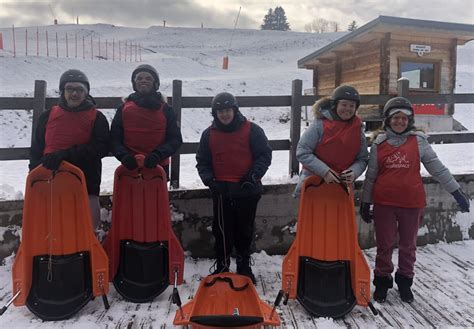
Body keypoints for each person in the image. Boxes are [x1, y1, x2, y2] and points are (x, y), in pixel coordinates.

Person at [360, 96, 470, 304]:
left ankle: (404, 282)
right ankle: (382, 282)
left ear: (410, 121)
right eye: (395, 117)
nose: (400, 121)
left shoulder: (418, 142)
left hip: (412, 203)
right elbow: (371, 176)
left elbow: (437, 168)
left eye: (404, 118)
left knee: (408, 245)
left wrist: (456, 192)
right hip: (384, 204)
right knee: (384, 245)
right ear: (387, 120)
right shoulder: (379, 144)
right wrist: (366, 202)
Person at [196, 92, 272, 284]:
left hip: (247, 188)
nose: (225, 114)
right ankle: (222, 264)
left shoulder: (252, 130)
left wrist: (253, 176)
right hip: (222, 190)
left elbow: (264, 155)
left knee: (244, 230)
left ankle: (244, 265)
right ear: (215, 113)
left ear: (234, 110)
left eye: (228, 110)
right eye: (220, 111)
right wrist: (210, 181)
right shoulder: (208, 134)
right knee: (221, 230)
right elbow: (202, 161)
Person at [29, 69, 110, 229]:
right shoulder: (48, 115)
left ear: (86, 92)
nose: (74, 93)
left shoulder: (97, 117)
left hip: (86, 182)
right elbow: (37, 147)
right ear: (63, 91)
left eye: (79, 90)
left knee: (86, 228)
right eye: (70, 89)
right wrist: (34, 175)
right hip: (50, 180)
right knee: (52, 228)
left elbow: (100, 147)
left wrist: (65, 155)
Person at [294, 85, 368, 196]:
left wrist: (354, 172)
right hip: (314, 185)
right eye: (344, 104)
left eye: (352, 106)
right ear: (335, 105)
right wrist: (325, 171)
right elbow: (303, 151)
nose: (347, 109)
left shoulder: (358, 128)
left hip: (341, 189)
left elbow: (362, 159)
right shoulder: (320, 124)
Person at [110, 64, 182, 178]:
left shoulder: (166, 109)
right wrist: (124, 156)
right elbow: (114, 138)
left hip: (158, 166)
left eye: (148, 78)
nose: (143, 81)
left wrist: (158, 155)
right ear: (134, 83)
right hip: (130, 165)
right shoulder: (124, 109)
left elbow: (175, 139)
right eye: (139, 78)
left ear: (155, 83)